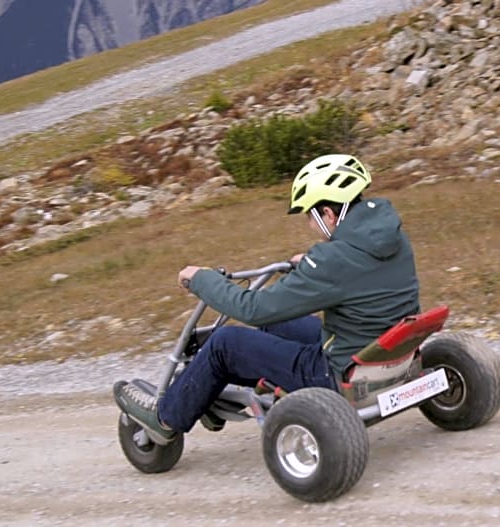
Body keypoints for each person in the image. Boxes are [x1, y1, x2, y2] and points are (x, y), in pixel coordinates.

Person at [113, 154, 420, 444]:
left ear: (327, 213)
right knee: (279, 325)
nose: (309, 225)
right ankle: (204, 390)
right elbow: (355, 275)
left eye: (309, 216)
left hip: (337, 372)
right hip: (381, 348)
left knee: (226, 342)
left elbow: (254, 309)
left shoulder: (331, 260)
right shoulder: (389, 236)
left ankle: (165, 419)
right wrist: (310, 264)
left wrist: (202, 279)